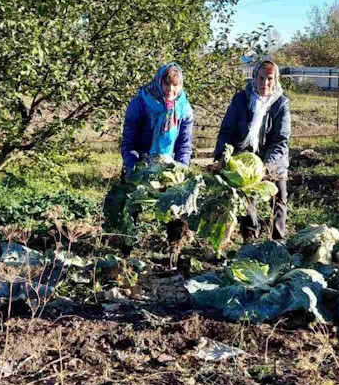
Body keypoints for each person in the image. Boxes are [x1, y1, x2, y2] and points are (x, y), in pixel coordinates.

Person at [104, 62, 194, 263]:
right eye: (167, 85)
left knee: (175, 207)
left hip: (169, 165)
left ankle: (174, 247)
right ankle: (125, 250)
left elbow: (185, 144)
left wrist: (181, 167)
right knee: (129, 204)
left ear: (181, 86)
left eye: (175, 86)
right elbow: (129, 141)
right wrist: (132, 164)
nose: (170, 91)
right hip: (142, 161)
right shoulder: (140, 104)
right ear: (159, 82)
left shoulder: (184, 108)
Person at [211, 60, 290, 242]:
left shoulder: (281, 104)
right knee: (246, 199)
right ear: (254, 78)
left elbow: (280, 140)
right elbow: (227, 130)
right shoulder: (241, 99)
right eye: (261, 78)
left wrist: (266, 167)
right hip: (246, 159)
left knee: (279, 197)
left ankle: (278, 241)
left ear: (275, 80)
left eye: (270, 79)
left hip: (273, 160)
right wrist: (222, 155)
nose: (265, 83)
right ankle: (250, 237)